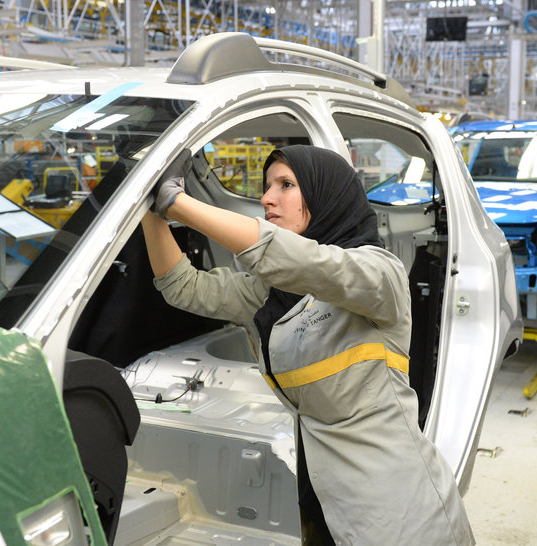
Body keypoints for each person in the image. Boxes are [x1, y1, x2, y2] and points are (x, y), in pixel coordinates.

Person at [140, 145, 474, 545]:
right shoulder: (273, 292)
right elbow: (185, 288)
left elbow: (308, 264)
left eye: (286, 185)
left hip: (397, 511)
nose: (267, 198)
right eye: (267, 186)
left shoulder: (377, 274)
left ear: (325, 197)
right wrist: (149, 209)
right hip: (320, 502)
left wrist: (178, 204)